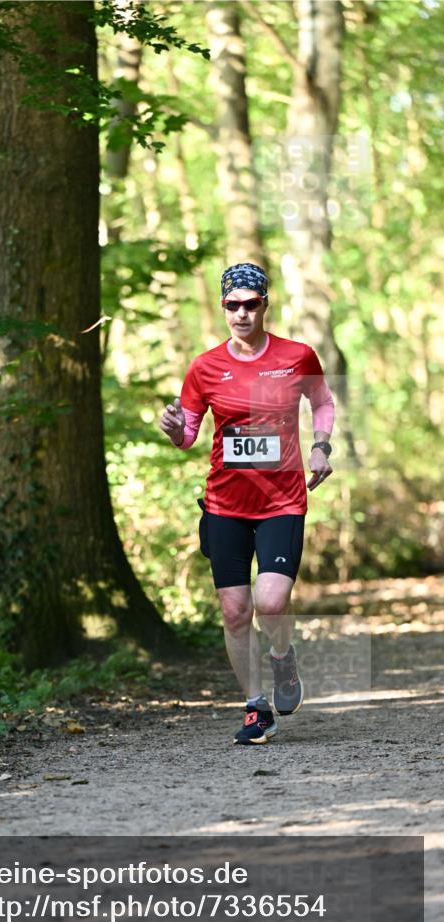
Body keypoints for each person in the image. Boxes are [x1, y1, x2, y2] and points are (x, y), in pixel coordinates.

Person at [159, 262, 335, 745]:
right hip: (224, 504)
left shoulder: (297, 356)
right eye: (232, 305)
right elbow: (189, 433)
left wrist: (321, 446)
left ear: (264, 305)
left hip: (281, 501)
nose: (241, 313)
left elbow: (322, 402)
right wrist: (176, 430)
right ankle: (257, 708)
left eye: (250, 304)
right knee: (236, 611)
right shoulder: (205, 366)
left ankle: (283, 657)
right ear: (223, 307)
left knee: (271, 601)